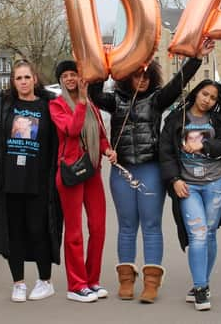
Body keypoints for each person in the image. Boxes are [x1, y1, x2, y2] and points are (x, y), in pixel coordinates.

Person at [88, 40, 214, 303]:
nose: (142, 79)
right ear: (127, 77)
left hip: (150, 170)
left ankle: (151, 283)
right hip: (122, 172)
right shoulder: (116, 100)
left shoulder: (157, 100)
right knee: (126, 225)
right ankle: (126, 279)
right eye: (136, 74)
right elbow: (94, 95)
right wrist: (104, 60)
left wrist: (197, 59)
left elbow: (179, 83)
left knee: (151, 225)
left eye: (146, 74)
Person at [0, 59, 61, 303]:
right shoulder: (5, 104)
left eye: (27, 77)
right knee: (13, 232)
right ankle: (18, 283)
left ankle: (45, 280)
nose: (23, 82)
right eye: (19, 78)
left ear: (34, 79)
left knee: (39, 230)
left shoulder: (49, 104)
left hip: (38, 180)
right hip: (8, 180)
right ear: (13, 82)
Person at [159, 79, 221, 311]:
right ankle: (201, 287)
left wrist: (204, 147)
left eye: (213, 98)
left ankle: (200, 285)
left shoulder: (218, 120)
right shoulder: (176, 119)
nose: (208, 100)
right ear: (196, 92)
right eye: (205, 94)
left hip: (216, 185)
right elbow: (165, 153)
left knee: (210, 233)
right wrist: (174, 179)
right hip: (188, 186)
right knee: (199, 234)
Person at [49, 60, 117, 303]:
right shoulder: (57, 105)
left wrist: (108, 150)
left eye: (73, 74)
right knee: (75, 231)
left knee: (98, 227)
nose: (69, 79)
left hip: (93, 171)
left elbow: (100, 135)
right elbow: (71, 129)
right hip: (70, 172)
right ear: (60, 81)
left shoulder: (93, 106)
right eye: (65, 75)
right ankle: (76, 285)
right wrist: (79, 103)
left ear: (81, 78)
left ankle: (92, 280)